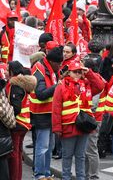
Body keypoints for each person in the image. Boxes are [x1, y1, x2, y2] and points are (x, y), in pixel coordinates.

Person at [52, 61, 105, 180]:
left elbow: (100, 86)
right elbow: (56, 108)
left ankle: (81, 178)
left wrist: (89, 73)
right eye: (74, 71)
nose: (77, 74)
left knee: (81, 156)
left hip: (84, 126)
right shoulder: (61, 86)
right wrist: (57, 128)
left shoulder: (86, 85)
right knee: (67, 156)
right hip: (68, 126)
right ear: (69, 72)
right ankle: (66, 178)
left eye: (79, 72)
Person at [31, 46, 63, 180]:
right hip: (41, 114)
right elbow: (41, 94)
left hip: (49, 113)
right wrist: (57, 86)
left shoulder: (51, 70)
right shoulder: (40, 69)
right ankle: (39, 174)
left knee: (49, 147)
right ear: (53, 62)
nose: (60, 66)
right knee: (43, 146)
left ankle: (46, 173)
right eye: (59, 64)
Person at [7, 61, 36, 180]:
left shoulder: (15, 85)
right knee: (18, 153)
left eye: (8, 69)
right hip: (25, 123)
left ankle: (14, 177)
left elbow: (16, 108)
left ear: (12, 71)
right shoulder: (24, 84)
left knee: (14, 154)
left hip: (17, 123)